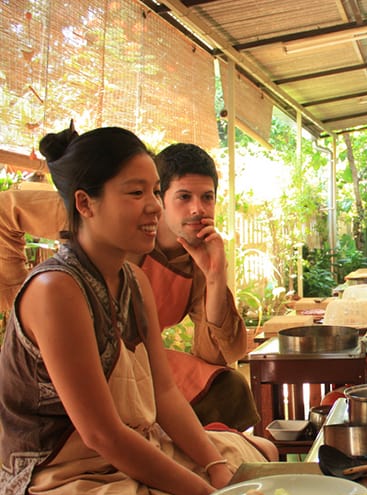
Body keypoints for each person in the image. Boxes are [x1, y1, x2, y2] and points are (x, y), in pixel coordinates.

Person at [0, 124, 276, 495]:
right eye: (136, 193)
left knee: (262, 458)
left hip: (130, 449)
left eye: (153, 191)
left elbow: (164, 393)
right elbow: (102, 434)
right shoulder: (56, 290)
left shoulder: (133, 280)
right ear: (85, 204)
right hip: (66, 480)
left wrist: (215, 470)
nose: (155, 207)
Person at [0, 144, 259, 432]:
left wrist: (214, 276)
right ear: (158, 197)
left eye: (207, 197)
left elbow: (217, 354)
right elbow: (5, 210)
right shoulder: (100, 217)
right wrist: (17, 294)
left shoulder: (197, 261)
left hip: (134, 362)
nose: (197, 209)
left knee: (227, 388)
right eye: (183, 197)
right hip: (73, 360)